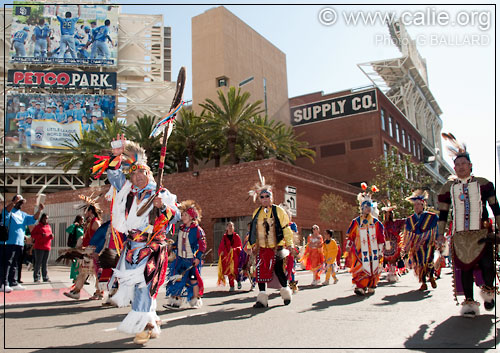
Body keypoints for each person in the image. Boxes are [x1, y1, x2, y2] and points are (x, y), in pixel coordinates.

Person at [97, 134, 180, 344]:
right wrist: (116, 155)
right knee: (139, 287)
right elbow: (114, 177)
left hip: (151, 248)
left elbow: (176, 215)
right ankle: (150, 322)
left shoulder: (160, 193)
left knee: (144, 284)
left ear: (148, 174)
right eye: (134, 174)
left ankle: (143, 325)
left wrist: (163, 207)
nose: (138, 177)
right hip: (132, 248)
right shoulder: (128, 192)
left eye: (142, 173)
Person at [438, 133, 500, 318]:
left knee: (488, 266)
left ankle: (488, 294)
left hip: (482, 233)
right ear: (454, 168)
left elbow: (495, 207)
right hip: (460, 236)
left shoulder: (484, 184)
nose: (460, 167)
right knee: (464, 268)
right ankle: (470, 304)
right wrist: (440, 234)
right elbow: (443, 214)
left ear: (470, 166)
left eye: (464, 164)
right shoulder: (447, 189)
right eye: (457, 165)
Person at [247, 170, 294, 308]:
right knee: (260, 272)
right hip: (262, 248)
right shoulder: (257, 213)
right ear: (259, 198)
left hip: (277, 247)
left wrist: (290, 244)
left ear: (271, 197)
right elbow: (253, 231)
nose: (265, 198)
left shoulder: (279, 211)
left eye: (267, 196)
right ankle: (262, 299)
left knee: (279, 270)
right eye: (262, 196)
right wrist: (250, 246)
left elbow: (286, 228)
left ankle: (286, 294)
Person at [164, 200, 206, 309]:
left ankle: (195, 300)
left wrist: (198, 257)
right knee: (177, 279)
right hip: (180, 260)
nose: (183, 217)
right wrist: (171, 247)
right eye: (182, 215)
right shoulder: (181, 228)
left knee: (193, 280)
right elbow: (179, 243)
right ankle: (175, 301)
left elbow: (202, 245)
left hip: (191, 261)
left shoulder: (197, 230)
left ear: (192, 216)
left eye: (185, 215)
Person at [345, 183, 385, 296]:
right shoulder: (356, 222)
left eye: (369, 207)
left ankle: (372, 284)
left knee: (373, 267)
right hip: (360, 251)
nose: (367, 209)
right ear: (361, 207)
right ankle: (361, 286)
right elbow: (350, 235)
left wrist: (381, 250)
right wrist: (348, 245)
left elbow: (381, 238)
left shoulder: (377, 223)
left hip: (374, 251)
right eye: (365, 206)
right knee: (360, 268)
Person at [1, 195, 43, 292]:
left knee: (16, 263)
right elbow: (6, 210)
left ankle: (13, 282)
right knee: (7, 263)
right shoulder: (7, 211)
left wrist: (39, 210)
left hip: (19, 243)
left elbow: (33, 219)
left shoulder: (22, 214)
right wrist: (14, 202)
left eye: (21, 203)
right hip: (8, 242)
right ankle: (4, 283)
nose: (20, 205)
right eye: (19, 203)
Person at [63, 197, 102, 299]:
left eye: (86, 210)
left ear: (90, 211)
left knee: (96, 272)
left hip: (93, 251)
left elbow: (101, 238)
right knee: (83, 271)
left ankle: (99, 292)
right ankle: (77, 291)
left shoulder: (96, 223)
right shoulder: (89, 222)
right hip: (87, 250)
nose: (84, 212)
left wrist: (97, 251)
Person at [402, 190, 439, 291]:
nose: (417, 207)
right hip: (416, 246)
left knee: (429, 260)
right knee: (419, 263)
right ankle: (423, 282)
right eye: (415, 205)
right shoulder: (410, 220)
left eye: (419, 204)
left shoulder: (431, 217)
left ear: (423, 205)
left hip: (428, 243)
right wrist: (406, 247)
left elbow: (436, 229)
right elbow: (407, 234)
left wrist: (437, 240)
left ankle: (431, 276)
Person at [381, 202, 405, 283]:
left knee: (394, 259)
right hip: (386, 243)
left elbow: (405, 221)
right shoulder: (383, 224)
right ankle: (391, 273)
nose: (389, 215)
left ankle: (393, 273)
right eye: (387, 214)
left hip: (395, 244)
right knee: (388, 259)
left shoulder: (396, 222)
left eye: (390, 213)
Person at [217, 221, 242, 291]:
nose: (230, 228)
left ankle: (238, 281)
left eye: (232, 226)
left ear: (233, 228)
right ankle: (232, 286)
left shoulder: (236, 236)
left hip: (235, 257)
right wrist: (221, 252)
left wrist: (234, 250)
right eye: (229, 226)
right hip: (227, 257)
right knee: (229, 272)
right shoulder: (224, 237)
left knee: (235, 270)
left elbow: (240, 247)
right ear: (226, 228)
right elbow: (221, 247)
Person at [31, 213, 53, 283]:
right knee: (38, 262)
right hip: (39, 247)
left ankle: (45, 277)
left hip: (47, 247)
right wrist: (40, 235)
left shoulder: (49, 226)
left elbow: (50, 235)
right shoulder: (38, 226)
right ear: (42, 218)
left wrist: (51, 236)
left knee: (45, 263)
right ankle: (36, 278)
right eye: (45, 218)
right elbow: (33, 234)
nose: (46, 220)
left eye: (47, 218)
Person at [65, 215, 84, 281]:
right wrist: (73, 225)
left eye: (83, 220)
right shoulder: (75, 227)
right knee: (75, 261)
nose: (82, 221)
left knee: (81, 262)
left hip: (81, 247)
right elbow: (67, 230)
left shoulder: (82, 228)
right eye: (81, 220)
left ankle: (80, 277)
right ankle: (74, 277)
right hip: (75, 246)